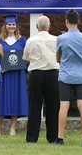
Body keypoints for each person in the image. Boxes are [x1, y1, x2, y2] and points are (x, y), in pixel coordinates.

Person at [55, 9, 82, 146]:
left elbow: (58, 58)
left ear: (66, 21)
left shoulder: (61, 38)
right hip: (81, 75)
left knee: (64, 105)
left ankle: (60, 138)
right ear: (78, 21)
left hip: (65, 75)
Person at [22, 15, 59, 143]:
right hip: (52, 74)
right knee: (53, 107)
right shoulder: (56, 40)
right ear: (49, 26)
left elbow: (26, 58)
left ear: (37, 27)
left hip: (36, 74)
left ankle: (32, 138)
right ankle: (53, 137)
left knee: (34, 106)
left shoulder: (31, 41)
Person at [0, 15, 28, 136]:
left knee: (15, 98)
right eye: (9, 24)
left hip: (18, 74)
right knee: (2, 98)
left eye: (13, 24)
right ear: (5, 26)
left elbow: (27, 56)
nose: (11, 26)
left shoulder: (22, 40)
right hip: (4, 74)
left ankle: (12, 128)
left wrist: (24, 63)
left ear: (16, 26)